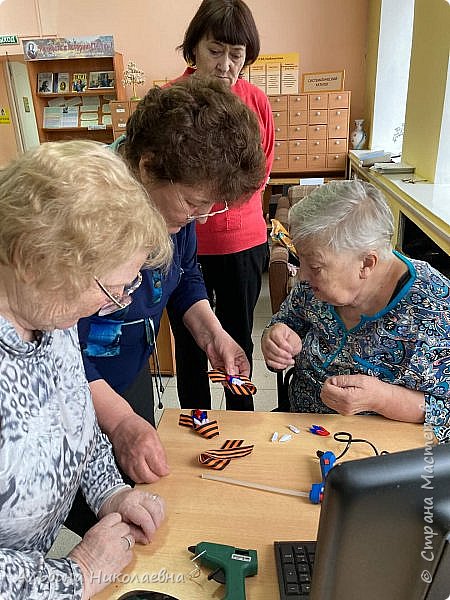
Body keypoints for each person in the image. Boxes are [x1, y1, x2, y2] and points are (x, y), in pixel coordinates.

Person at [67, 76, 265, 535]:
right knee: (93, 516)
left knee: (133, 504)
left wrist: (212, 333)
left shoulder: (174, 205)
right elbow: (56, 346)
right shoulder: (84, 217)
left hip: (126, 376)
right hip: (77, 391)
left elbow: (184, 278)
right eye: (195, 203)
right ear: (148, 165)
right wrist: (117, 423)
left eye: (211, 207)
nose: (199, 216)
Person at [0, 140, 172, 599]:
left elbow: (75, 421)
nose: (116, 303)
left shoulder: (49, 314)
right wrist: (78, 572)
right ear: (36, 264)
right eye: (112, 288)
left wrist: (111, 494)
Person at [261, 180, 450, 443]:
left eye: (314, 267)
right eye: (300, 260)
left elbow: (446, 413)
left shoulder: (435, 311)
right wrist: (276, 336)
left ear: (366, 264)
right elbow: (288, 319)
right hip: (300, 432)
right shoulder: (314, 286)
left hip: (377, 454)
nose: (302, 276)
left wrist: (383, 398)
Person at [168, 0, 275, 411]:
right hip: (180, 243)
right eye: (216, 51)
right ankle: (196, 423)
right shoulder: (169, 102)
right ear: (193, 48)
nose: (226, 65)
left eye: (237, 55)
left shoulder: (256, 102)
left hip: (240, 242)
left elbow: (262, 168)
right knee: (190, 342)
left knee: (237, 335)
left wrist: (221, 199)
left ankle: (240, 419)